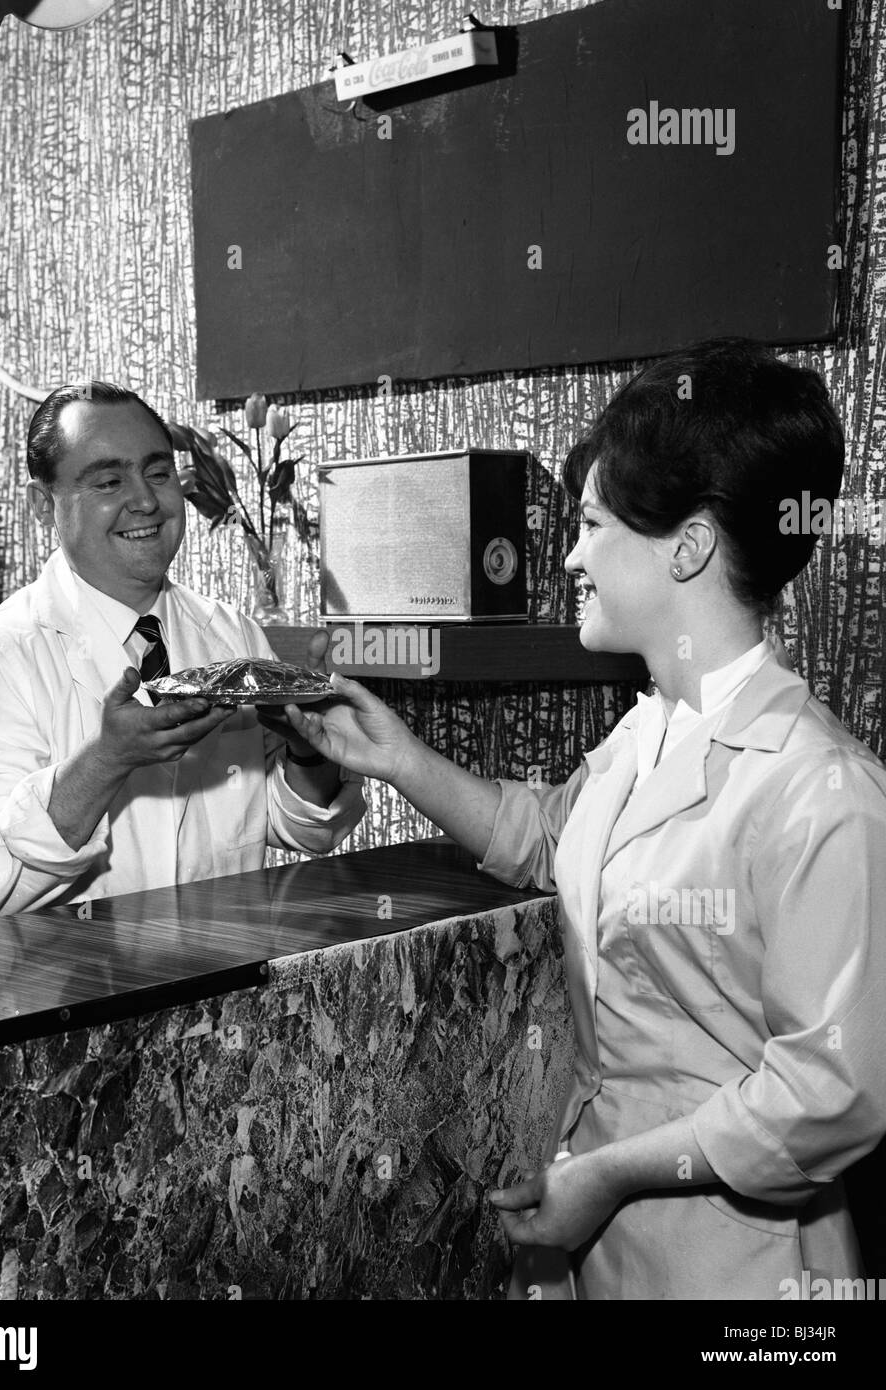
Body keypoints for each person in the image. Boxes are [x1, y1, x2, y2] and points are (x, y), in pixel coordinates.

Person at [276, 339, 886, 1300]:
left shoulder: (821, 791)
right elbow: (552, 839)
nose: (569, 554)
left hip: (740, 1268)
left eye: (592, 523)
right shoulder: (649, 733)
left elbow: (830, 1095)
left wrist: (605, 1175)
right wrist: (398, 758)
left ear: (685, 547)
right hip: (610, 1245)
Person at [0, 382, 365, 924]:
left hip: (218, 976)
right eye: (110, 481)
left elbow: (297, 825)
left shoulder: (232, 634)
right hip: (58, 993)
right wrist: (106, 761)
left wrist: (308, 748)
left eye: (157, 474)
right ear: (44, 505)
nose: (146, 501)